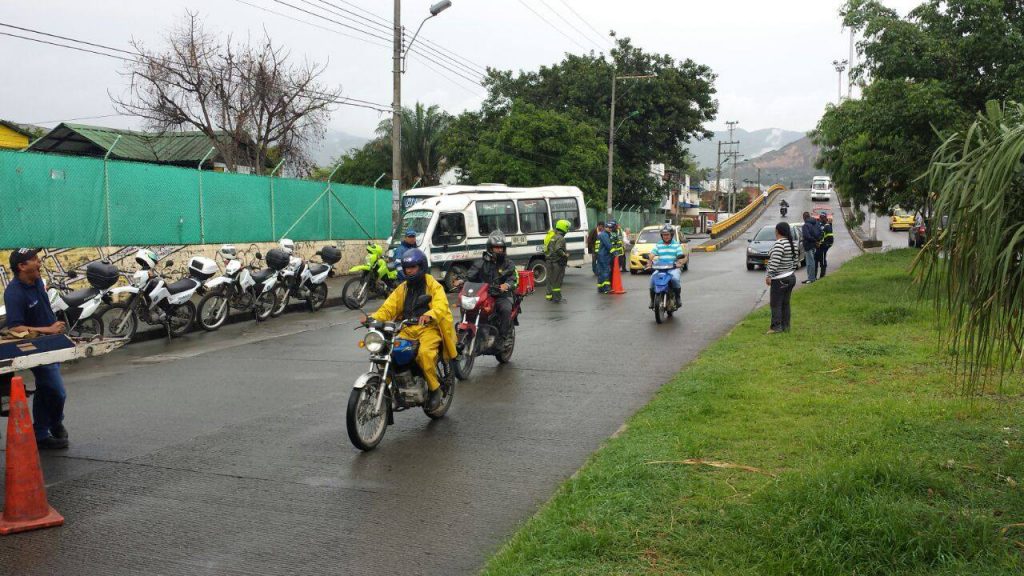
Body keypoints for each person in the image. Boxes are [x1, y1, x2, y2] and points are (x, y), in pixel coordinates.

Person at [364, 248, 456, 411]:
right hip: (407, 328)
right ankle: (396, 388)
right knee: (386, 351)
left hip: (429, 329)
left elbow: (441, 305)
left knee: (424, 355)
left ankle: (435, 389)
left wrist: (430, 314)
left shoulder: (432, 285)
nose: (409, 271)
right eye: (407, 268)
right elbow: (389, 307)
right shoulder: (403, 288)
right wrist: (374, 318)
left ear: (421, 267)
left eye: (413, 267)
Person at [3, 248, 69, 449]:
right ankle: (55, 422)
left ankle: (40, 433)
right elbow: (15, 327)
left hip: (53, 342)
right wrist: (47, 329)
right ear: (22, 267)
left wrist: (55, 330)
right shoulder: (14, 293)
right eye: (34, 260)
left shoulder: (38, 281)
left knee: (45, 388)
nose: (39, 263)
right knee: (58, 392)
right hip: (35, 346)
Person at [460, 231, 519, 341]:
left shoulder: (508, 264)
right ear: (490, 248)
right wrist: (461, 281)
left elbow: (514, 278)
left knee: (506, 309)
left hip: (500, 295)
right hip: (483, 295)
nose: (499, 250)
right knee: (465, 307)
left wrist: (506, 285)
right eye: (496, 247)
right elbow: (470, 275)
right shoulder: (481, 263)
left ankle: (503, 337)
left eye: (501, 247)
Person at [765, 222, 799, 334]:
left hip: (779, 279)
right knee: (785, 303)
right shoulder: (793, 243)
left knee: (775, 304)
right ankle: (786, 326)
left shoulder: (780, 244)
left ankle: (776, 327)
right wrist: (790, 271)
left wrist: (769, 275)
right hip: (790, 277)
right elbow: (795, 261)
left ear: (777, 231)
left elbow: (775, 261)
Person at [645, 225, 684, 309]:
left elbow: (680, 256)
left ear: (671, 235)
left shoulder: (676, 245)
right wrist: (649, 262)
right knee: (652, 279)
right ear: (661, 236)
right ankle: (652, 300)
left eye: (667, 235)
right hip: (660, 267)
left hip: (673, 268)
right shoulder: (658, 245)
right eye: (664, 235)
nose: (665, 236)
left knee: (675, 279)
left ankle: (677, 297)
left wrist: (679, 263)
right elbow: (652, 254)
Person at [545, 219, 571, 303]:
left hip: (549, 261)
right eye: (567, 228)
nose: (568, 230)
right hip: (557, 263)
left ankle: (550, 296)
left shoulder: (553, 237)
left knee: (550, 280)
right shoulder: (561, 238)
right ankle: (557, 298)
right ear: (564, 228)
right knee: (557, 281)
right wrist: (564, 255)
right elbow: (558, 249)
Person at [801, 211, 823, 284]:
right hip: (814, 245)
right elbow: (820, 232)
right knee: (812, 261)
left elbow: (807, 236)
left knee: (810, 262)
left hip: (808, 245)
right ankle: (811, 278)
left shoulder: (805, 225)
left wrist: (813, 240)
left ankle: (811, 279)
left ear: (804, 218)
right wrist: (817, 240)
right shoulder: (816, 222)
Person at [595, 224, 613, 294]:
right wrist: (614, 252)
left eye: (611, 228)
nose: (610, 229)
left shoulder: (601, 234)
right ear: (605, 228)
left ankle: (600, 288)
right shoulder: (604, 235)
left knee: (601, 272)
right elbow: (608, 245)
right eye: (609, 228)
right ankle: (606, 288)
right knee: (606, 271)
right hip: (604, 256)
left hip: (600, 255)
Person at [816, 213, 834, 278]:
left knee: (823, 259)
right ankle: (822, 274)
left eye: (821, 218)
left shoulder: (826, 226)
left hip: (824, 245)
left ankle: (822, 275)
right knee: (822, 258)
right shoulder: (827, 225)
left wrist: (819, 242)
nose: (820, 219)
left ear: (824, 218)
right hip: (824, 245)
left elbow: (823, 236)